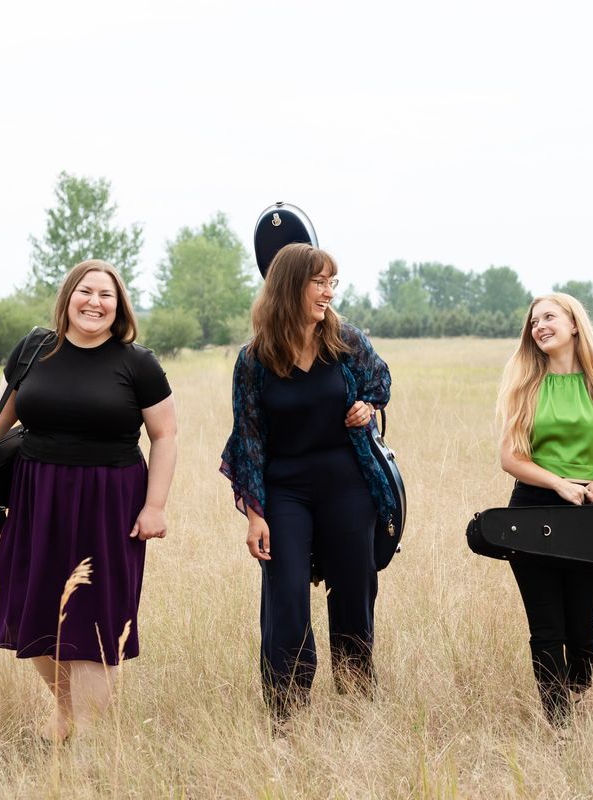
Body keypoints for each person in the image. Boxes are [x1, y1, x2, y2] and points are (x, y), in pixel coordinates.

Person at [0, 260, 177, 741]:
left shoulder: (137, 363)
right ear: (68, 297)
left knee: (96, 619)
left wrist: (154, 506)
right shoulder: (35, 349)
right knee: (32, 607)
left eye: (106, 295)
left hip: (110, 502)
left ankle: (84, 742)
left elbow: (166, 435)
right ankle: (68, 715)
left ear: (119, 305)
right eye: (85, 291)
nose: (94, 303)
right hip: (37, 497)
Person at [219, 242, 395, 725]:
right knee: (286, 595)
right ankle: (287, 710)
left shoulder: (346, 342)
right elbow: (249, 439)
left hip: (348, 486)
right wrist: (256, 513)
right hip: (285, 491)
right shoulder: (254, 359)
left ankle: (358, 697)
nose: (328, 293)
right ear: (290, 286)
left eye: (331, 283)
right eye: (319, 282)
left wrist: (368, 407)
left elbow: (380, 382)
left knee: (355, 590)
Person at [496, 293, 593, 726]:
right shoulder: (525, 387)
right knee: (546, 628)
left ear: (575, 325)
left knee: (583, 630)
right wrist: (558, 484)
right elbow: (510, 458)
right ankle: (559, 726)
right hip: (533, 510)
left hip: (589, 514)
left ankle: (577, 698)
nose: (539, 326)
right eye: (534, 322)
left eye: (549, 317)